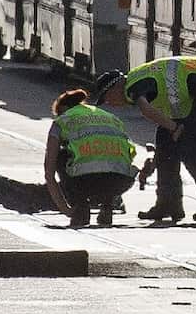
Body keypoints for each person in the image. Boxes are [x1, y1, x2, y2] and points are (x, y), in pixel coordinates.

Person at [96, 56, 196, 223]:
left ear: (115, 87)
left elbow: (146, 109)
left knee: (188, 144)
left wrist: (175, 128)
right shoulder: (138, 79)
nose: (110, 104)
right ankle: (168, 204)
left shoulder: (133, 86)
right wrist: (155, 162)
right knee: (165, 138)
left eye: (107, 98)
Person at [44, 88, 137, 228]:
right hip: (122, 180)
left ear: (63, 108)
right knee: (109, 159)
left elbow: (49, 172)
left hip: (86, 181)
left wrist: (67, 210)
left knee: (61, 156)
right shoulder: (110, 117)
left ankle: (80, 207)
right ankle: (107, 206)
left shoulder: (62, 121)